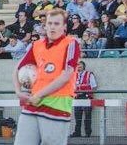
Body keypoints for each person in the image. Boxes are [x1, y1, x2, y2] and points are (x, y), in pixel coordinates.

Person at [14, 9, 81, 145]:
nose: (52, 27)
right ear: (45, 25)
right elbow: (17, 69)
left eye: (57, 24)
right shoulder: (37, 45)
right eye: (49, 23)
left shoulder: (71, 43)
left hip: (57, 104)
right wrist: (18, 91)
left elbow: (66, 75)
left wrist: (40, 95)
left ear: (64, 27)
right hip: (33, 103)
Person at [72, 61, 97, 138]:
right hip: (77, 98)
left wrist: (89, 94)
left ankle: (88, 133)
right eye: (77, 65)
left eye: (80, 64)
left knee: (87, 116)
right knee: (77, 116)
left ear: (84, 66)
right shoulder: (74, 75)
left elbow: (94, 86)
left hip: (86, 97)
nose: (79, 66)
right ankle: (77, 132)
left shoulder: (89, 74)